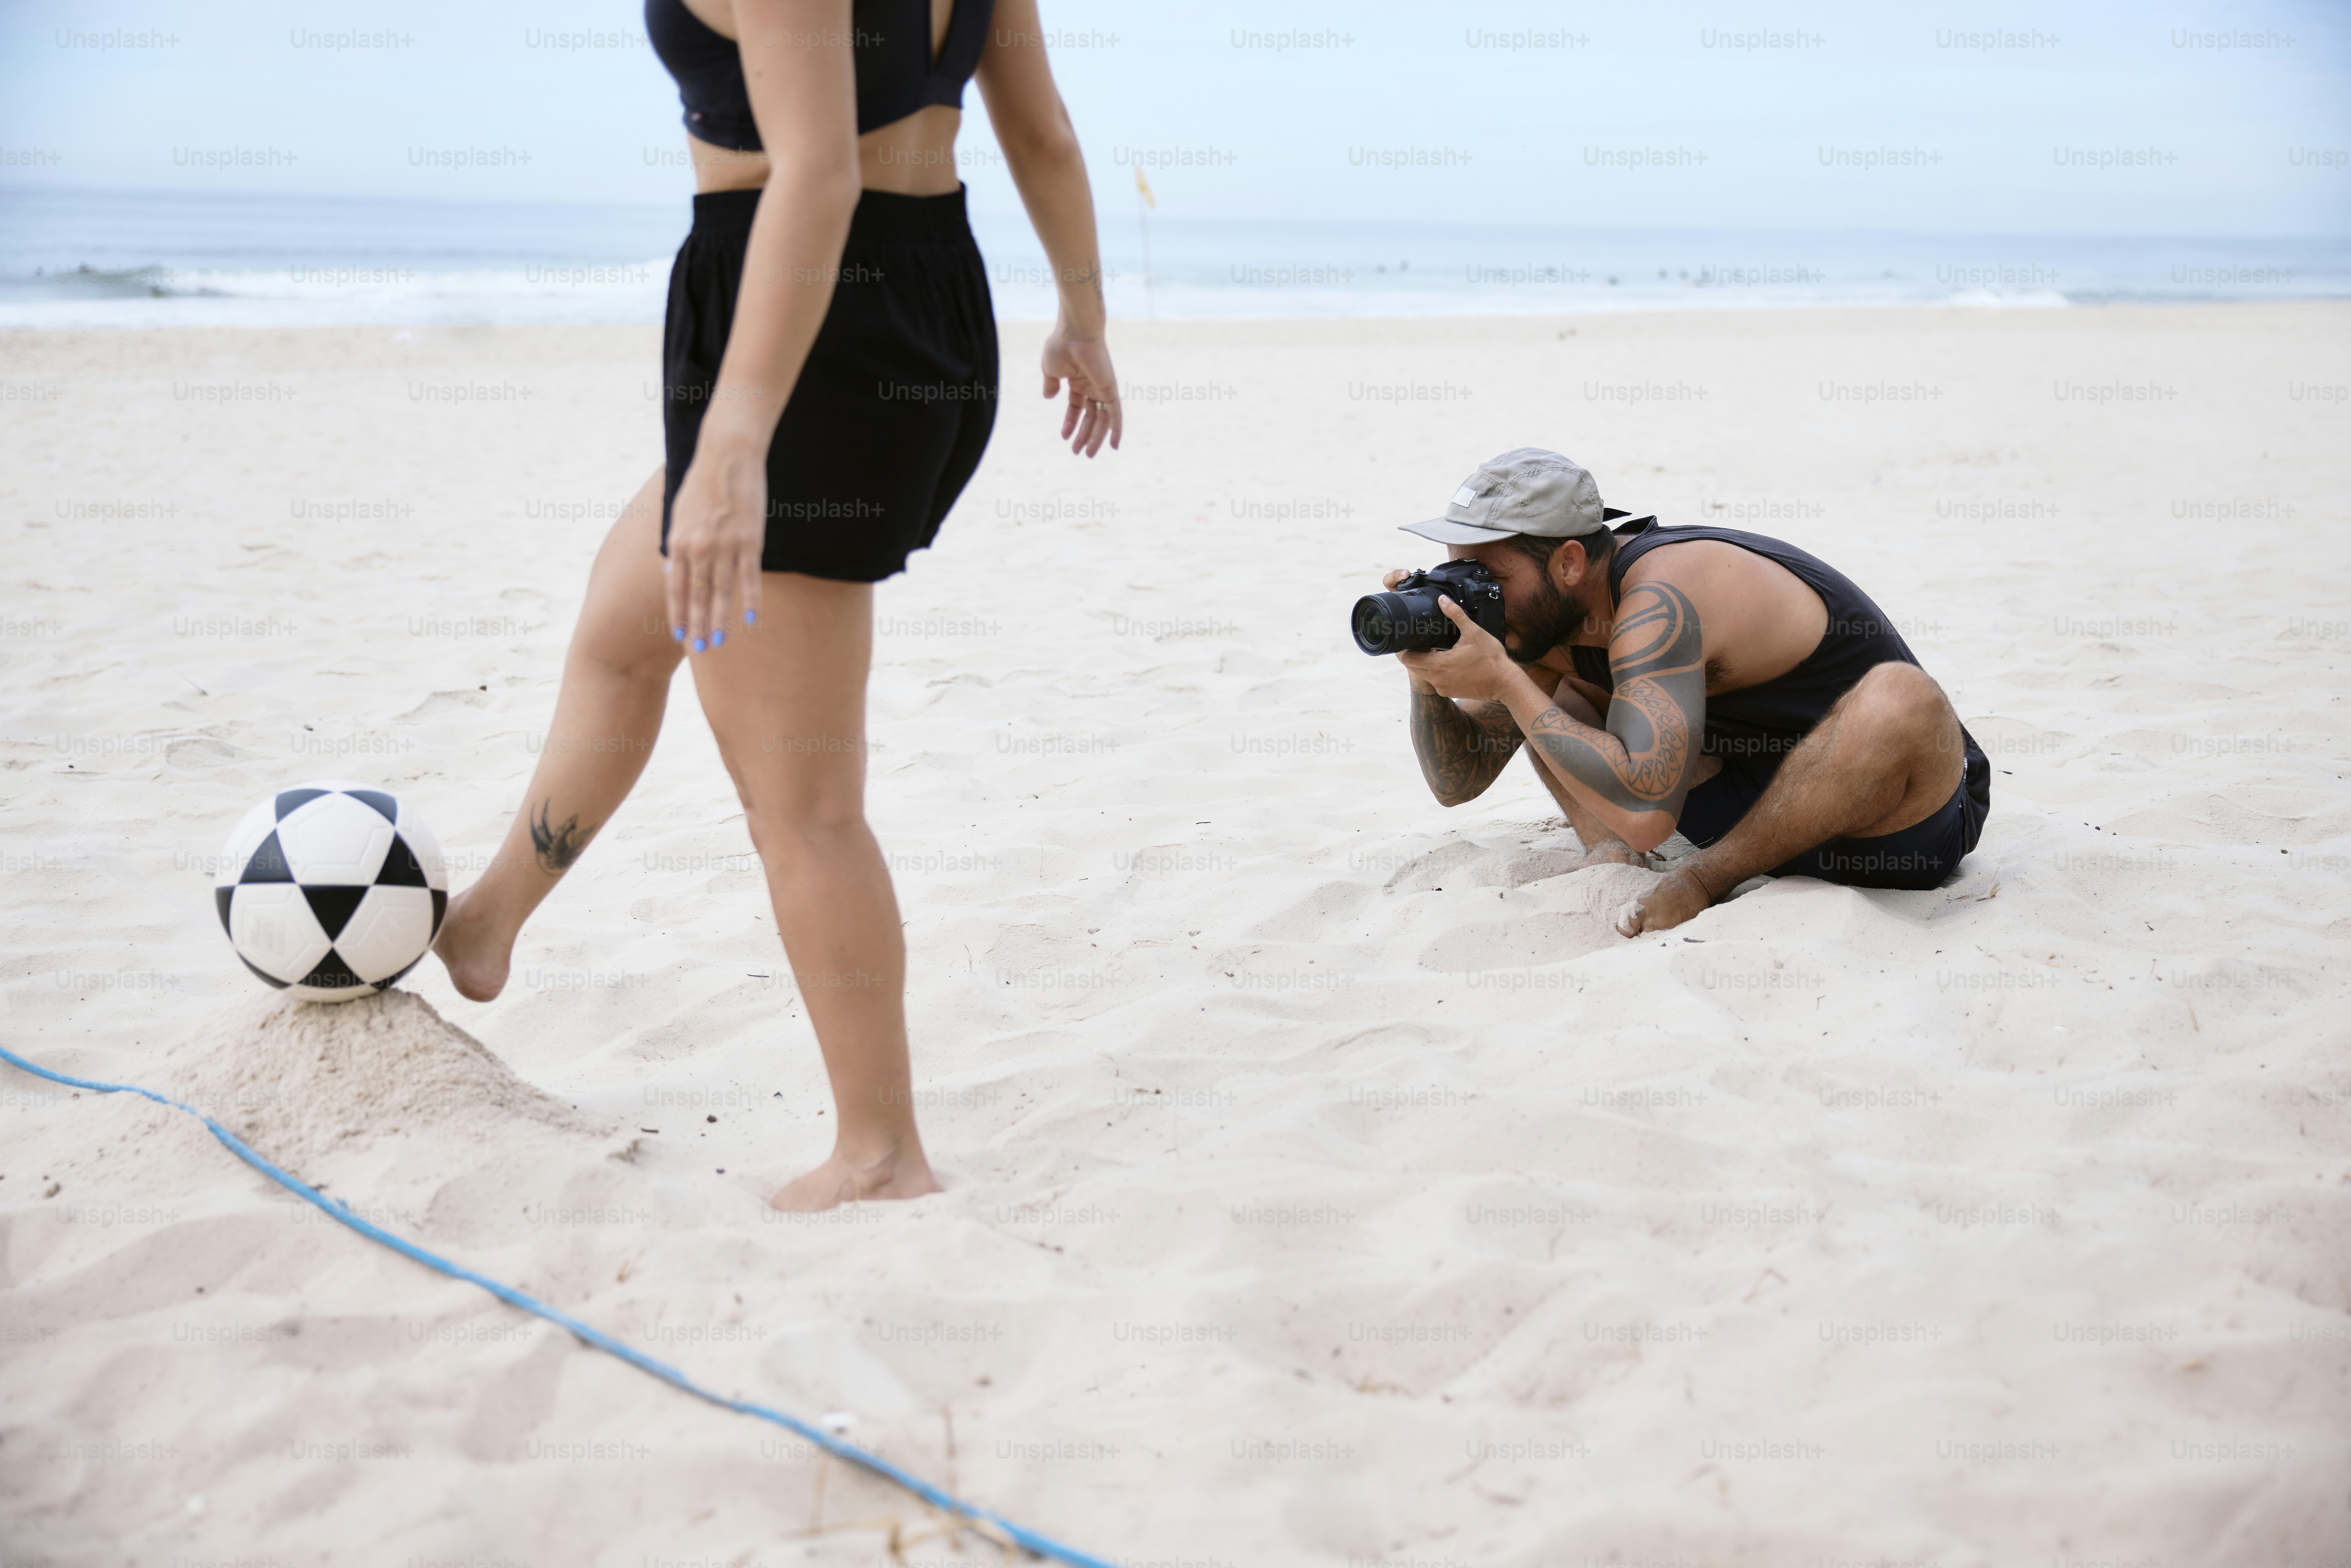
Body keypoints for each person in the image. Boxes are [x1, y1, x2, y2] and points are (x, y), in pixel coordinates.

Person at [432, 0, 1123, 1211]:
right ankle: (488, 923)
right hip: (919, 312)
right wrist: (1085, 317)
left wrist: (739, 438)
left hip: (808, 325)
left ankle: (881, 1155)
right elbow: (1046, 134)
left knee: (803, 810)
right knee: (621, 627)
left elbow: (816, 169)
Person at [1383, 448, 1988, 933]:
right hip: (1750, 813)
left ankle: (1704, 879)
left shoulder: (1662, 592)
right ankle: (1606, 847)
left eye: (1486, 576)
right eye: (1456, 570)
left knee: (1902, 697)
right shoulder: (1544, 619)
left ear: (1569, 563)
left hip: (1884, 832)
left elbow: (1649, 817)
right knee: (1543, 685)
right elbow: (1455, 780)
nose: (1468, 591)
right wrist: (1424, 672)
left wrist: (1510, 682)